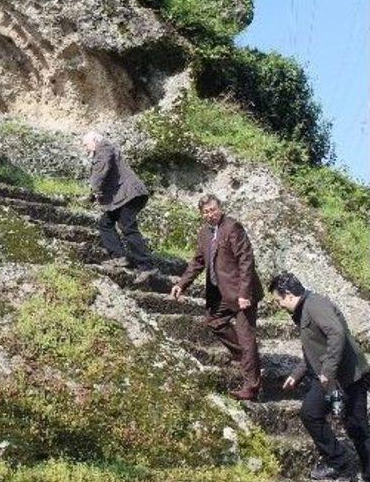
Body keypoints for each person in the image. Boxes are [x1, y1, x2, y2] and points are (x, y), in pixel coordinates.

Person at [269, 272, 370, 482]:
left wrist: (328, 370)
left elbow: (336, 334)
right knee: (310, 413)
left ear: (289, 295)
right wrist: (297, 373)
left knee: (358, 430)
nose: (278, 305)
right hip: (329, 380)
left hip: (349, 378)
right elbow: (313, 348)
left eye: (278, 300)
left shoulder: (316, 305)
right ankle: (341, 462)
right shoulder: (303, 310)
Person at [170, 193, 263, 401]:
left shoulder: (233, 227)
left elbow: (246, 261)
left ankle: (252, 386)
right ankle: (248, 359)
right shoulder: (204, 233)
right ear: (201, 214)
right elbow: (198, 261)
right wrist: (182, 284)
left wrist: (244, 294)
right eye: (206, 212)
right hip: (220, 293)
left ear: (220, 208)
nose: (210, 214)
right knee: (214, 322)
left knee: (246, 337)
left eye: (213, 210)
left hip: (241, 293)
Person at [82, 131, 157, 284]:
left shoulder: (104, 148)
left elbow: (101, 170)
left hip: (128, 194)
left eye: (86, 144)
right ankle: (120, 256)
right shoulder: (105, 149)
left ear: (95, 140)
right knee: (105, 224)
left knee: (128, 227)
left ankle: (147, 266)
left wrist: (93, 190)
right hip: (123, 196)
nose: (86, 148)